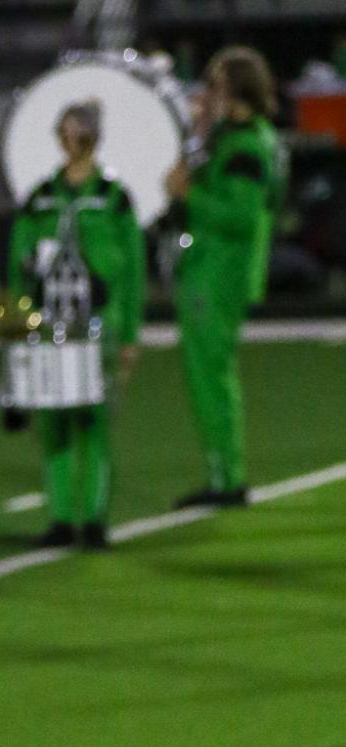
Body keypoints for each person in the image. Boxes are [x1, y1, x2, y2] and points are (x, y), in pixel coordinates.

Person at [8, 100, 144, 549]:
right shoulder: (40, 197)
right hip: (51, 325)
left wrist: (130, 335)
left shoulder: (114, 197)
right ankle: (61, 518)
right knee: (54, 422)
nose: (73, 137)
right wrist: (19, 316)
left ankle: (95, 517)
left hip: (101, 325)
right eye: (67, 129)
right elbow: (18, 260)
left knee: (95, 422)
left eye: (81, 129)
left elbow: (133, 272)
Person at [165, 47, 283, 506]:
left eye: (215, 85)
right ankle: (224, 474)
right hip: (219, 268)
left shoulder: (245, 145)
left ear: (235, 90)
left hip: (218, 271)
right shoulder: (246, 137)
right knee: (214, 374)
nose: (207, 94)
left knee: (210, 376)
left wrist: (189, 193)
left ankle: (226, 478)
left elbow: (241, 216)